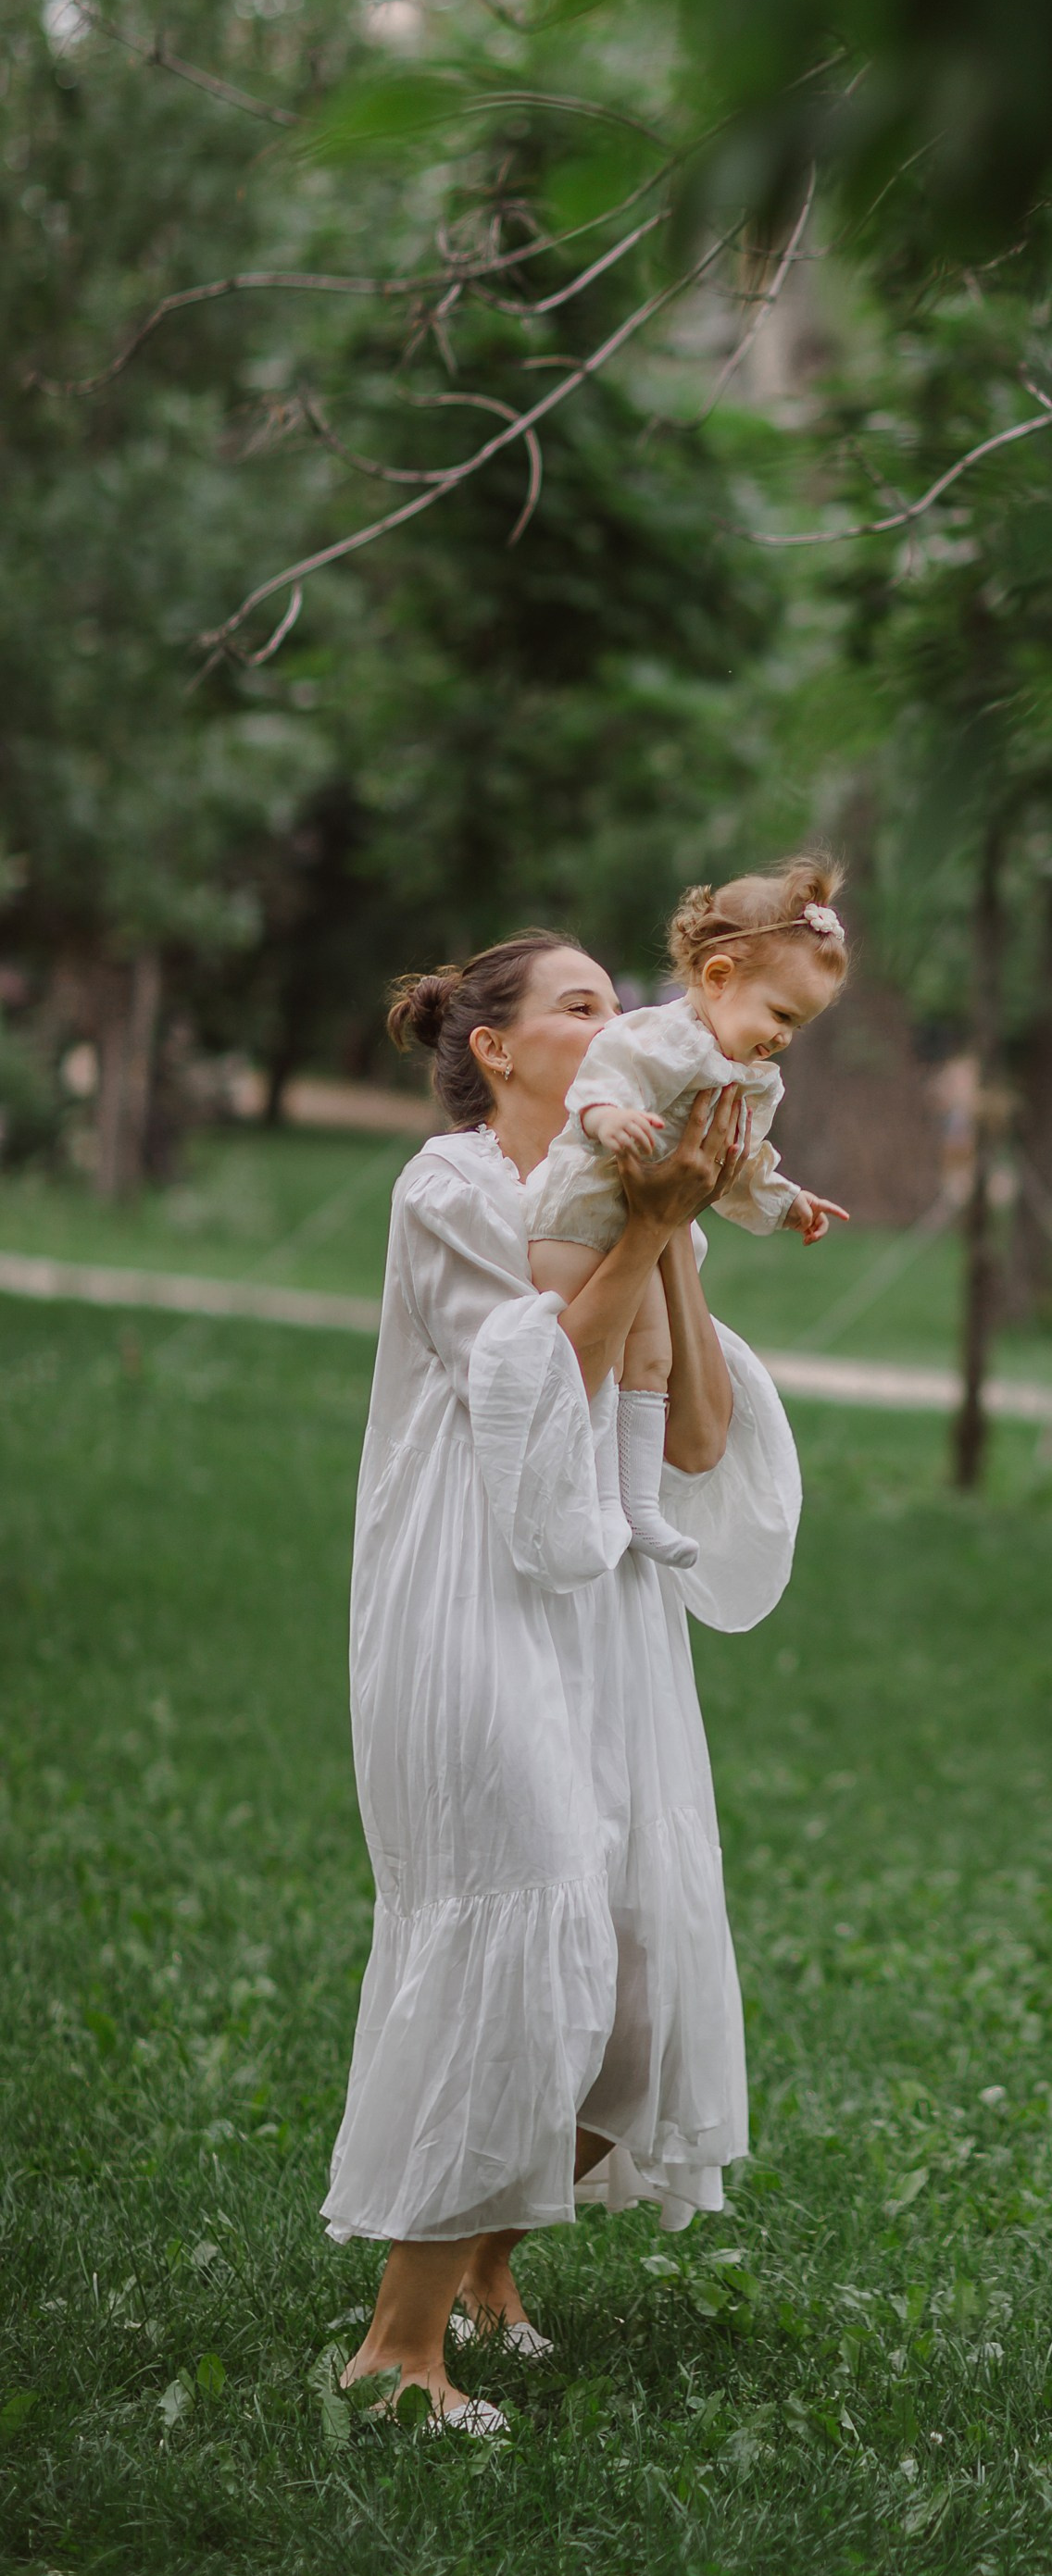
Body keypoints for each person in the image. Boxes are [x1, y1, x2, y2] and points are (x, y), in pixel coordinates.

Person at [327, 932, 801, 2434]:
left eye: (623, 1004)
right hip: (470, 1599)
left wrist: (671, 1229)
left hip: (603, 1612)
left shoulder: (638, 1188)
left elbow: (694, 1440)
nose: (622, 1026)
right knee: (517, 1939)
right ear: (496, 1049)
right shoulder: (454, 1190)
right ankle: (397, 2349)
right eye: (581, 1007)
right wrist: (643, 1234)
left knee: (644, 1988)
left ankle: (485, 2266)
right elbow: (536, 1390)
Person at [526, 859, 851, 1563]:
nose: (785, 1037)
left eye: (801, 1025)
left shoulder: (751, 1077)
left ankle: (635, 1508)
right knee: (594, 1358)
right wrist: (608, 1118)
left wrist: (788, 1201)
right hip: (583, 1218)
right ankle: (596, 1504)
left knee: (653, 1356)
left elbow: (737, 1167)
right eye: (781, 1014)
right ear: (718, 978)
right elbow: (602, 1078)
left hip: (634, 1231)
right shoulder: (661, 1038)